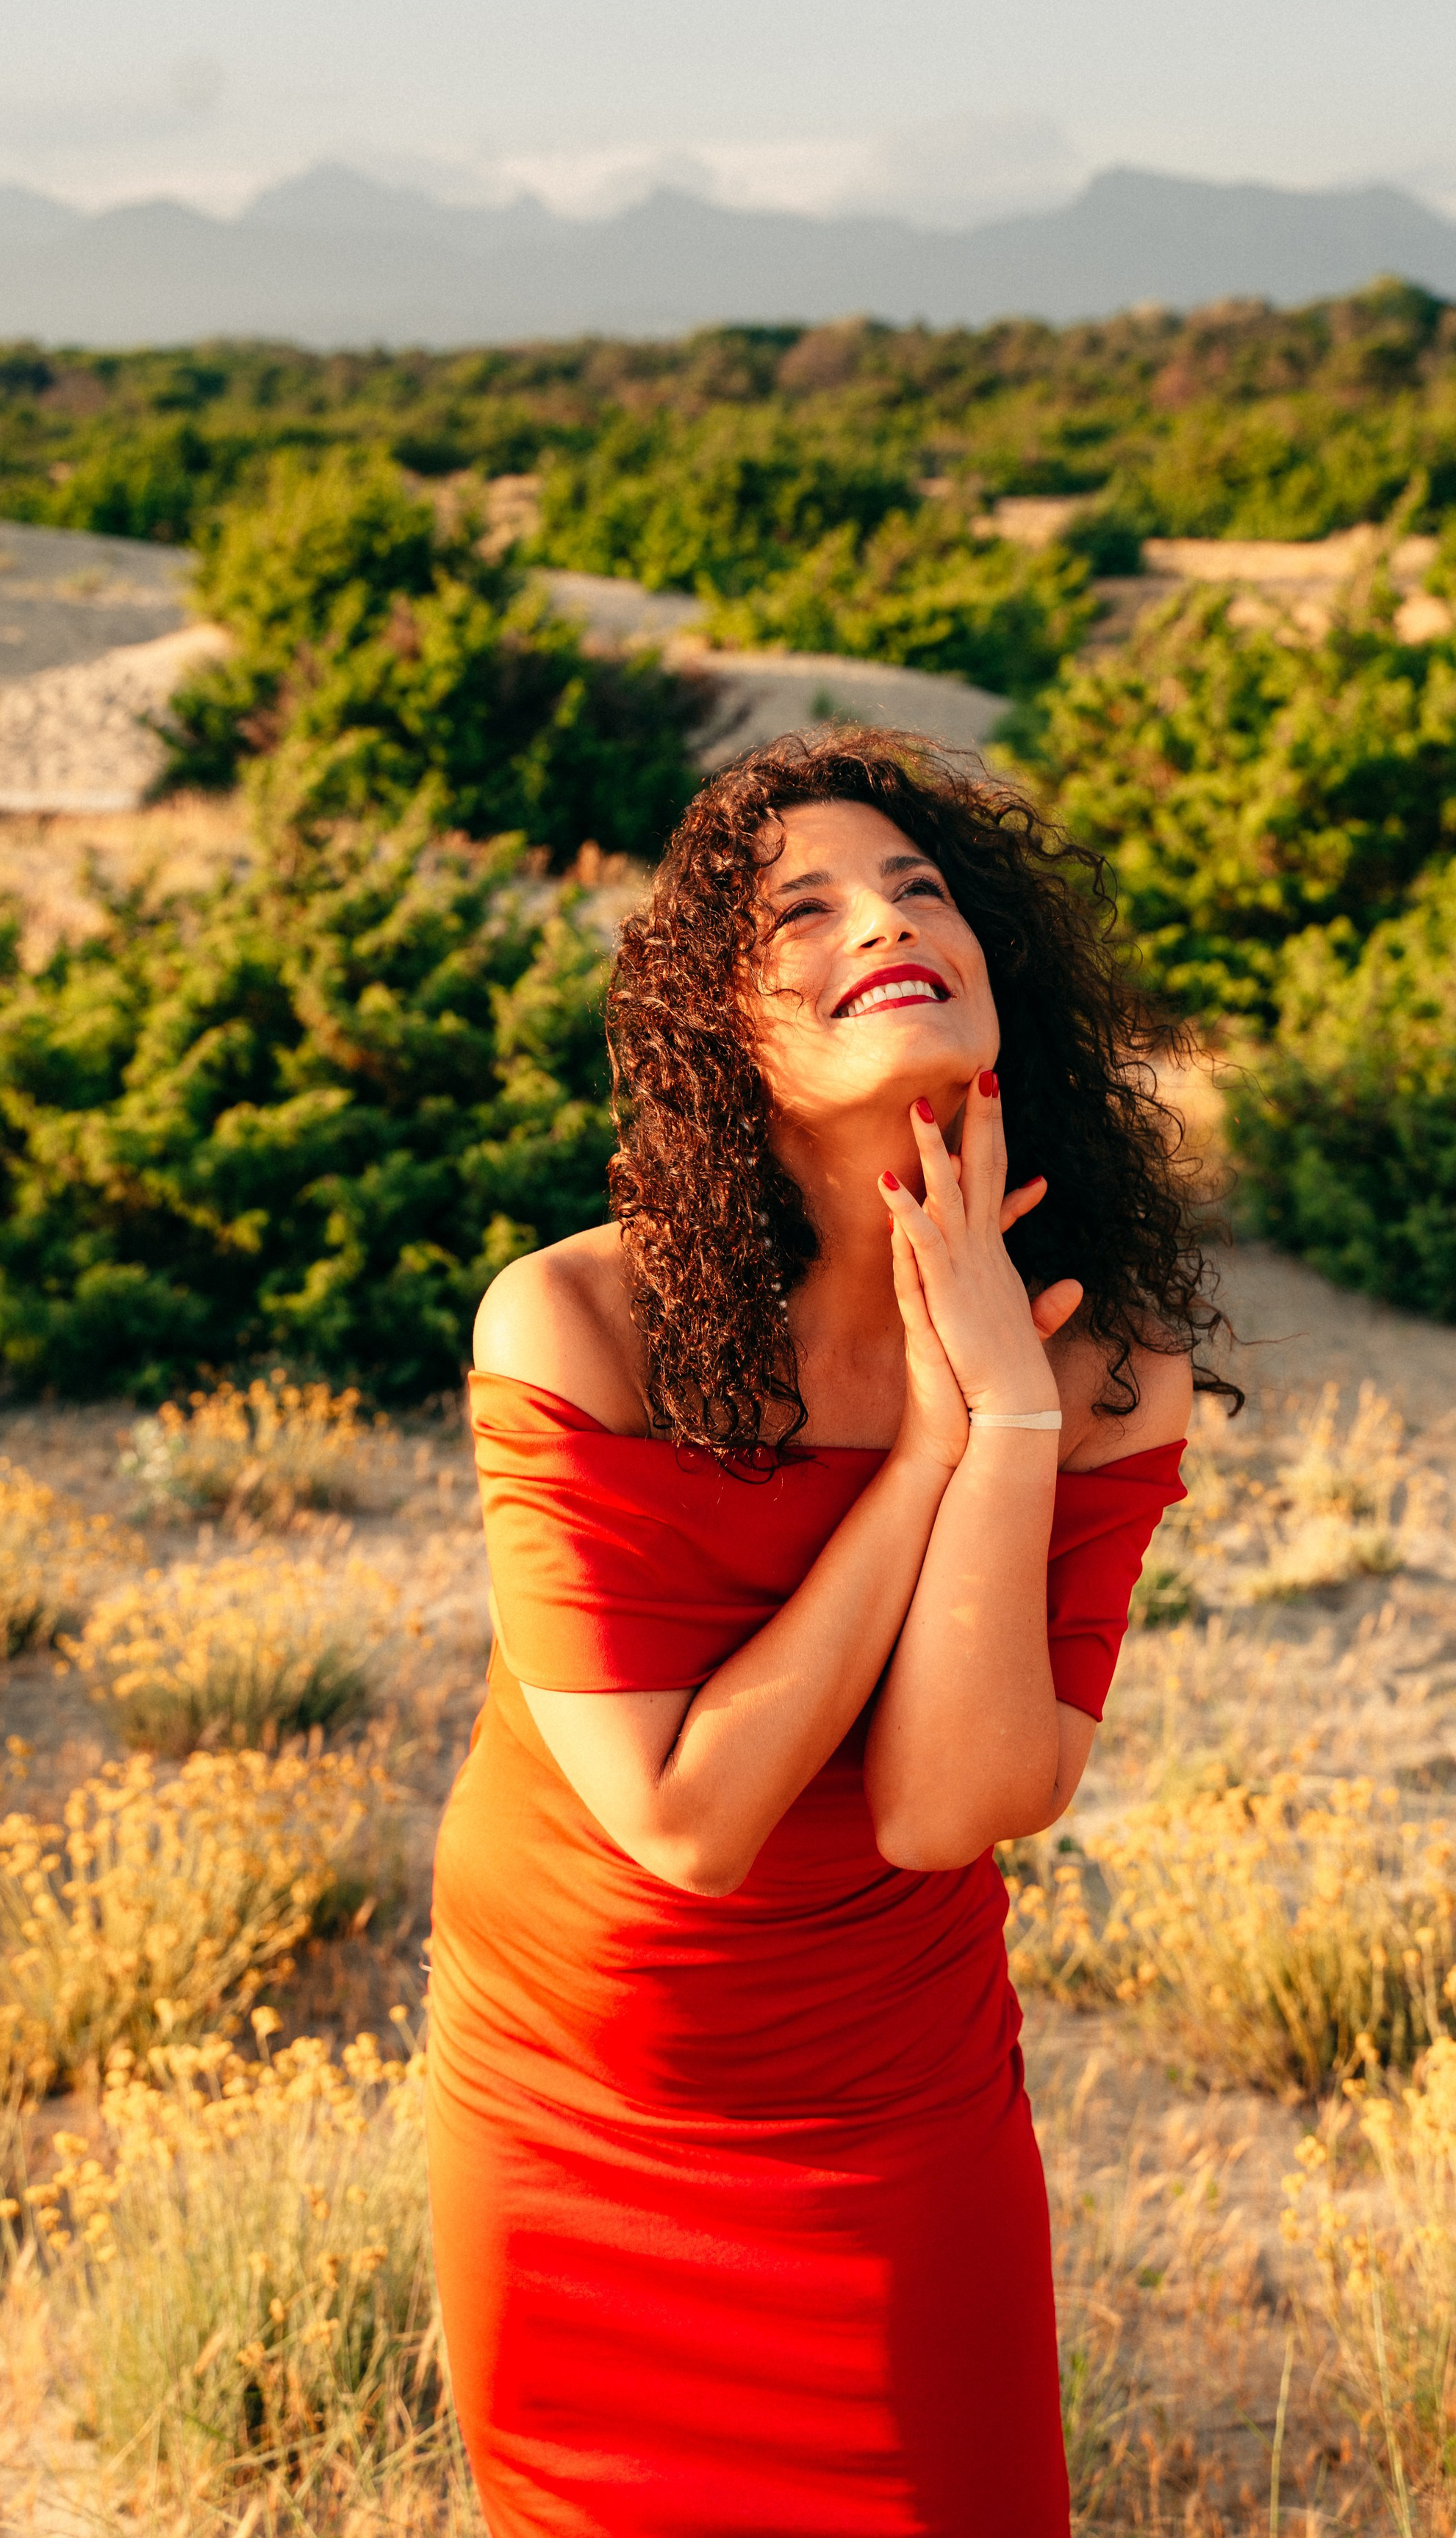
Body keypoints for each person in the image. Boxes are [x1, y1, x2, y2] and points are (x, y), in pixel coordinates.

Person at [426, 730, 1234, 2538]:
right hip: (571, 2122)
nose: (885, 917)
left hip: (888, 2115)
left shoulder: (1104, 1367)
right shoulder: (576, 1323)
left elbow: (943, 1812)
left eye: (921, 887)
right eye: (800, 909)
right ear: (725, 1037)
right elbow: (689, 1822)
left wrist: (1007, 1420)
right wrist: (929, 1456)